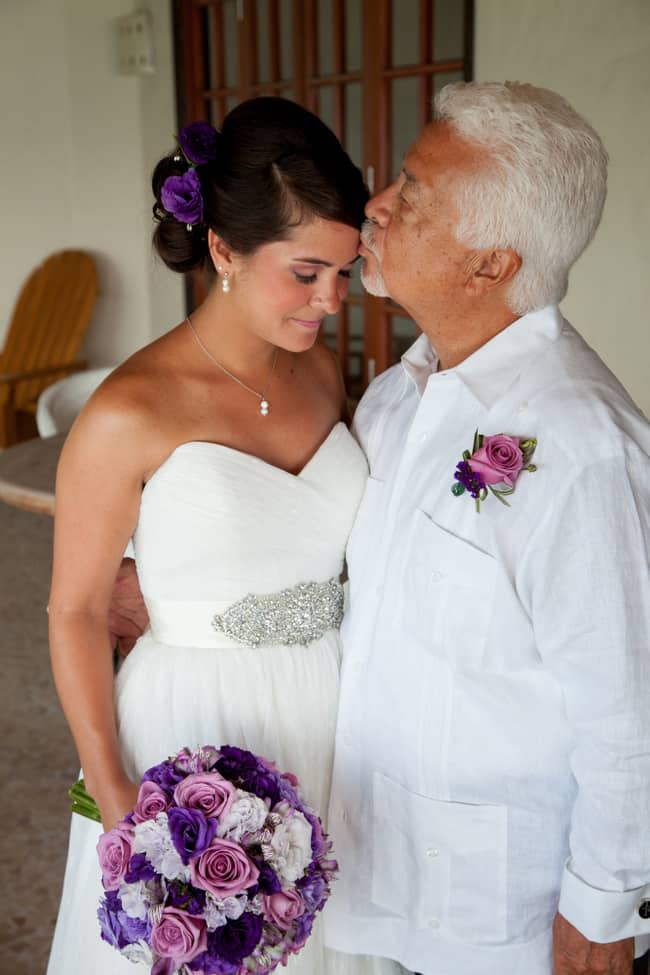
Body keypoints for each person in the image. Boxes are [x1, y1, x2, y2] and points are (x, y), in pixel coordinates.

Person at [46, 97, 403, 975]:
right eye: (307, 272)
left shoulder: (321, 371)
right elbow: (78, 609)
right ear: (222, 251)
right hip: (193, 727)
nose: (331, 301)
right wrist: (119, 789)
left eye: (344, 273)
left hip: (333, 705)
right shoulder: (128, 412)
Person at [323, 81, 650, 975]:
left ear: (491, 264)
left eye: (414, 195)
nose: (378, 207)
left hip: (502, 908)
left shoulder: (585, 448)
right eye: (398, 179)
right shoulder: (395, 397)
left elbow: (629, 709)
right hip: (371, 862)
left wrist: (603, 910)